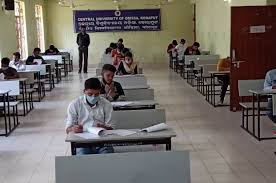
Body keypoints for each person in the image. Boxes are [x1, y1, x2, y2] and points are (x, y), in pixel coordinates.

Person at [66, 78, 114, 155]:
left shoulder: (106, 104)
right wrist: (74, 128)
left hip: (103, 142)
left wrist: (104, 127)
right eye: (90, 94)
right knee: (83, 160)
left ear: (100, 92)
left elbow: (112, 128)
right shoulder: (75, 104)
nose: (93, 97)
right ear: (84, 91)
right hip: (82, 143)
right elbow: (68, 129)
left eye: (97, 94)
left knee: (108, 160)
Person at [264, 69, 276, 134]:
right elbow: (265, 89)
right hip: (274, 98)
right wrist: (273, 87)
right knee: (270, 112)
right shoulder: (271, 74)